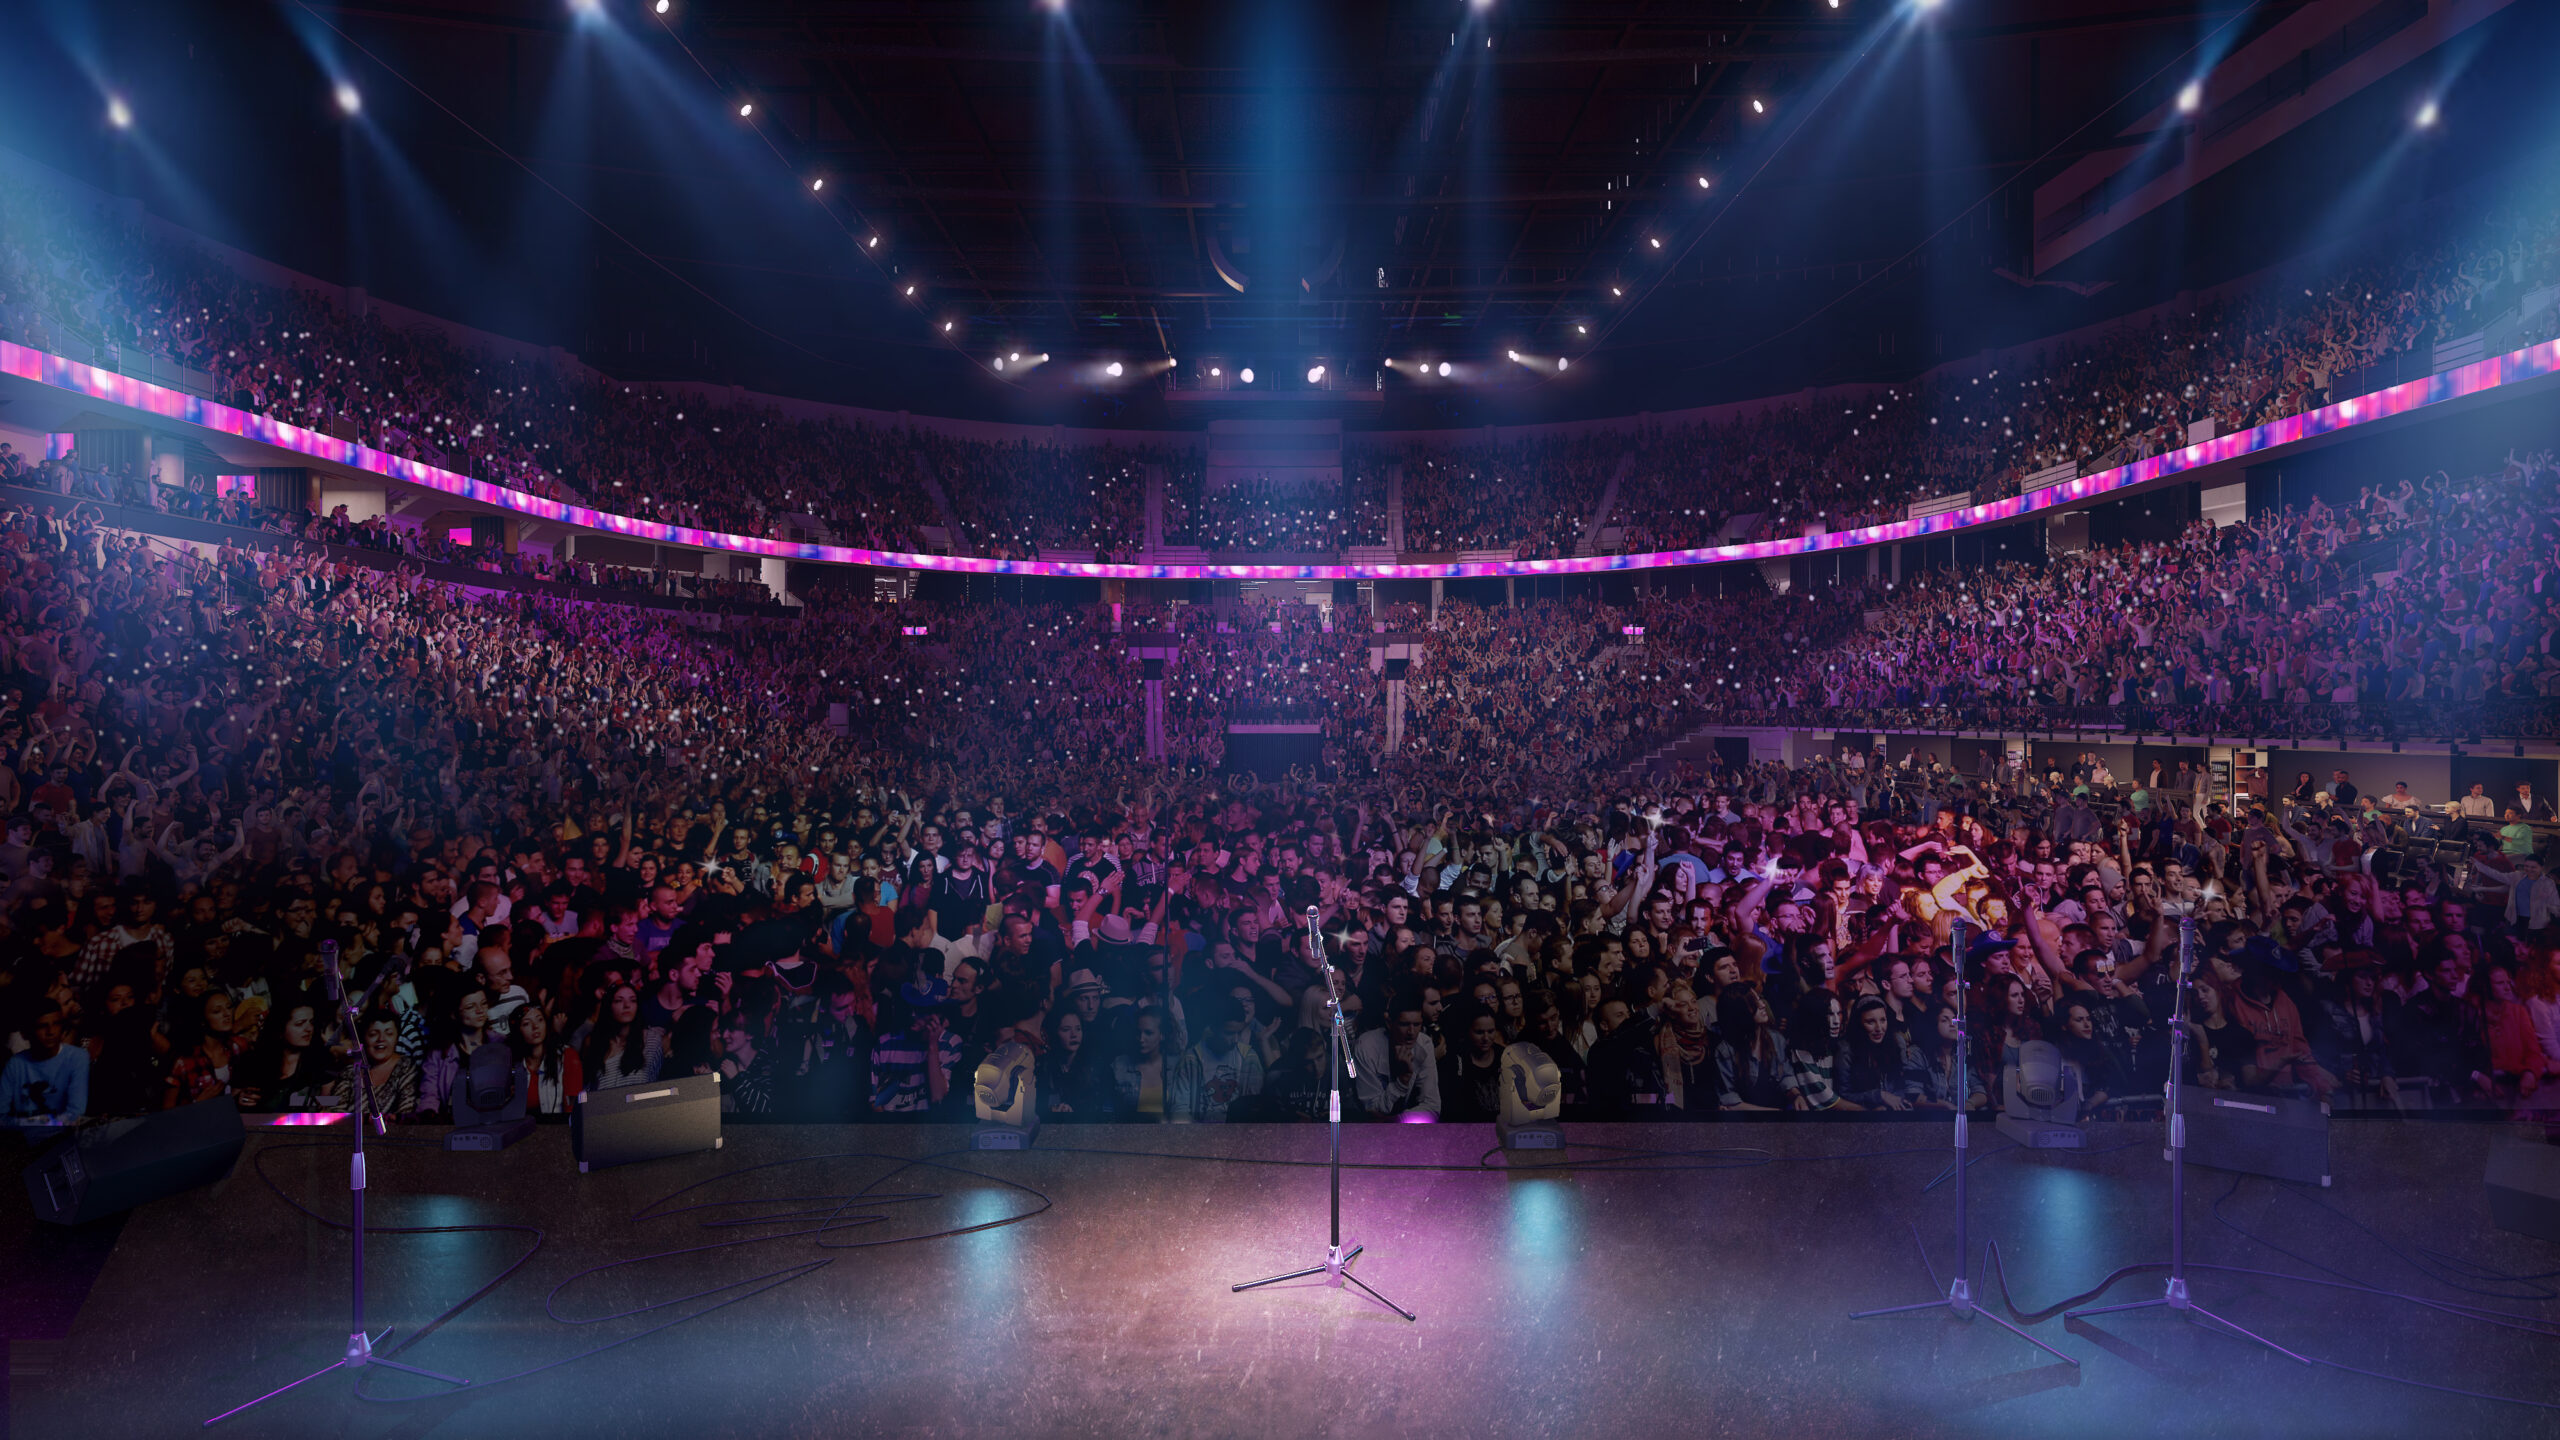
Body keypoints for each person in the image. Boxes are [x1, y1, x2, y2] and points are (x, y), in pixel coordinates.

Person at [1351, 995, 1441, 1119]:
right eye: (1404, 1024)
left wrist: (1399, 1121)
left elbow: (1432, 1106)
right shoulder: (1366, 1046)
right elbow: (1371, 1109)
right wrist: (1402, 1081)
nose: (1411, 1032)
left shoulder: (1424, 1044)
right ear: (1389, 1023)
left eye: (1417, 1024)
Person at [0, 1005, 88, 1125]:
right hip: (23, 1137)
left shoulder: (77, 1057)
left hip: (62, 1136)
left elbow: (75, 1112)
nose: (51, 1032)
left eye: (56, 1024)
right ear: (26, 1033)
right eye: (42, 1026)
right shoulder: (15, 1064)